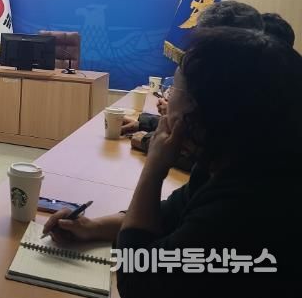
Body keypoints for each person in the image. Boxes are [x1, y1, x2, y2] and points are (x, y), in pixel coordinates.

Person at [43, 27, 300, 297]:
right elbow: (169, 216)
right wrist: (93, 227)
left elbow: (137, 283)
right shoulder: (232, 163)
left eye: (173, 89)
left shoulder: (246, 206)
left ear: (201, 109)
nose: (165, 99)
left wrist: (153, 170)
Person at [121, 0, 264, 137]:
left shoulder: (235, 87)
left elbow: (201, 142)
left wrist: (147, 139)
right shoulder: (257, 73)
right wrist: (143, 124)